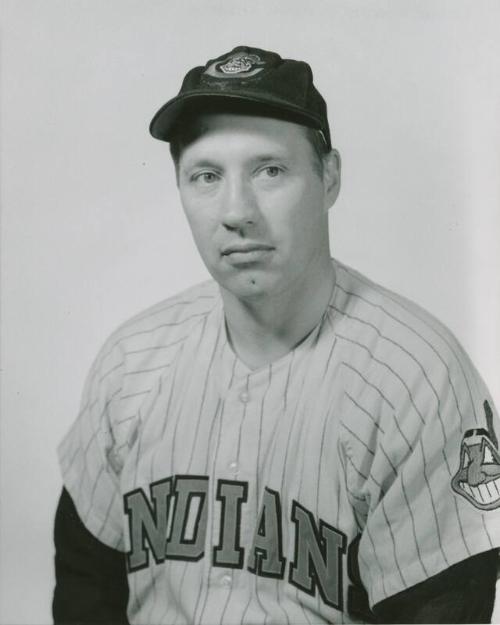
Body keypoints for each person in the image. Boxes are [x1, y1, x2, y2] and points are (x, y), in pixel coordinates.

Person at [53, 46, 500, 624]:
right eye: (207, 176)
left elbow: (442, 611)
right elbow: (86, 584)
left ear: (329, 176)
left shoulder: (418, 378)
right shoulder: (131, 361)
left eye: (270, 170)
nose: (237, 211)